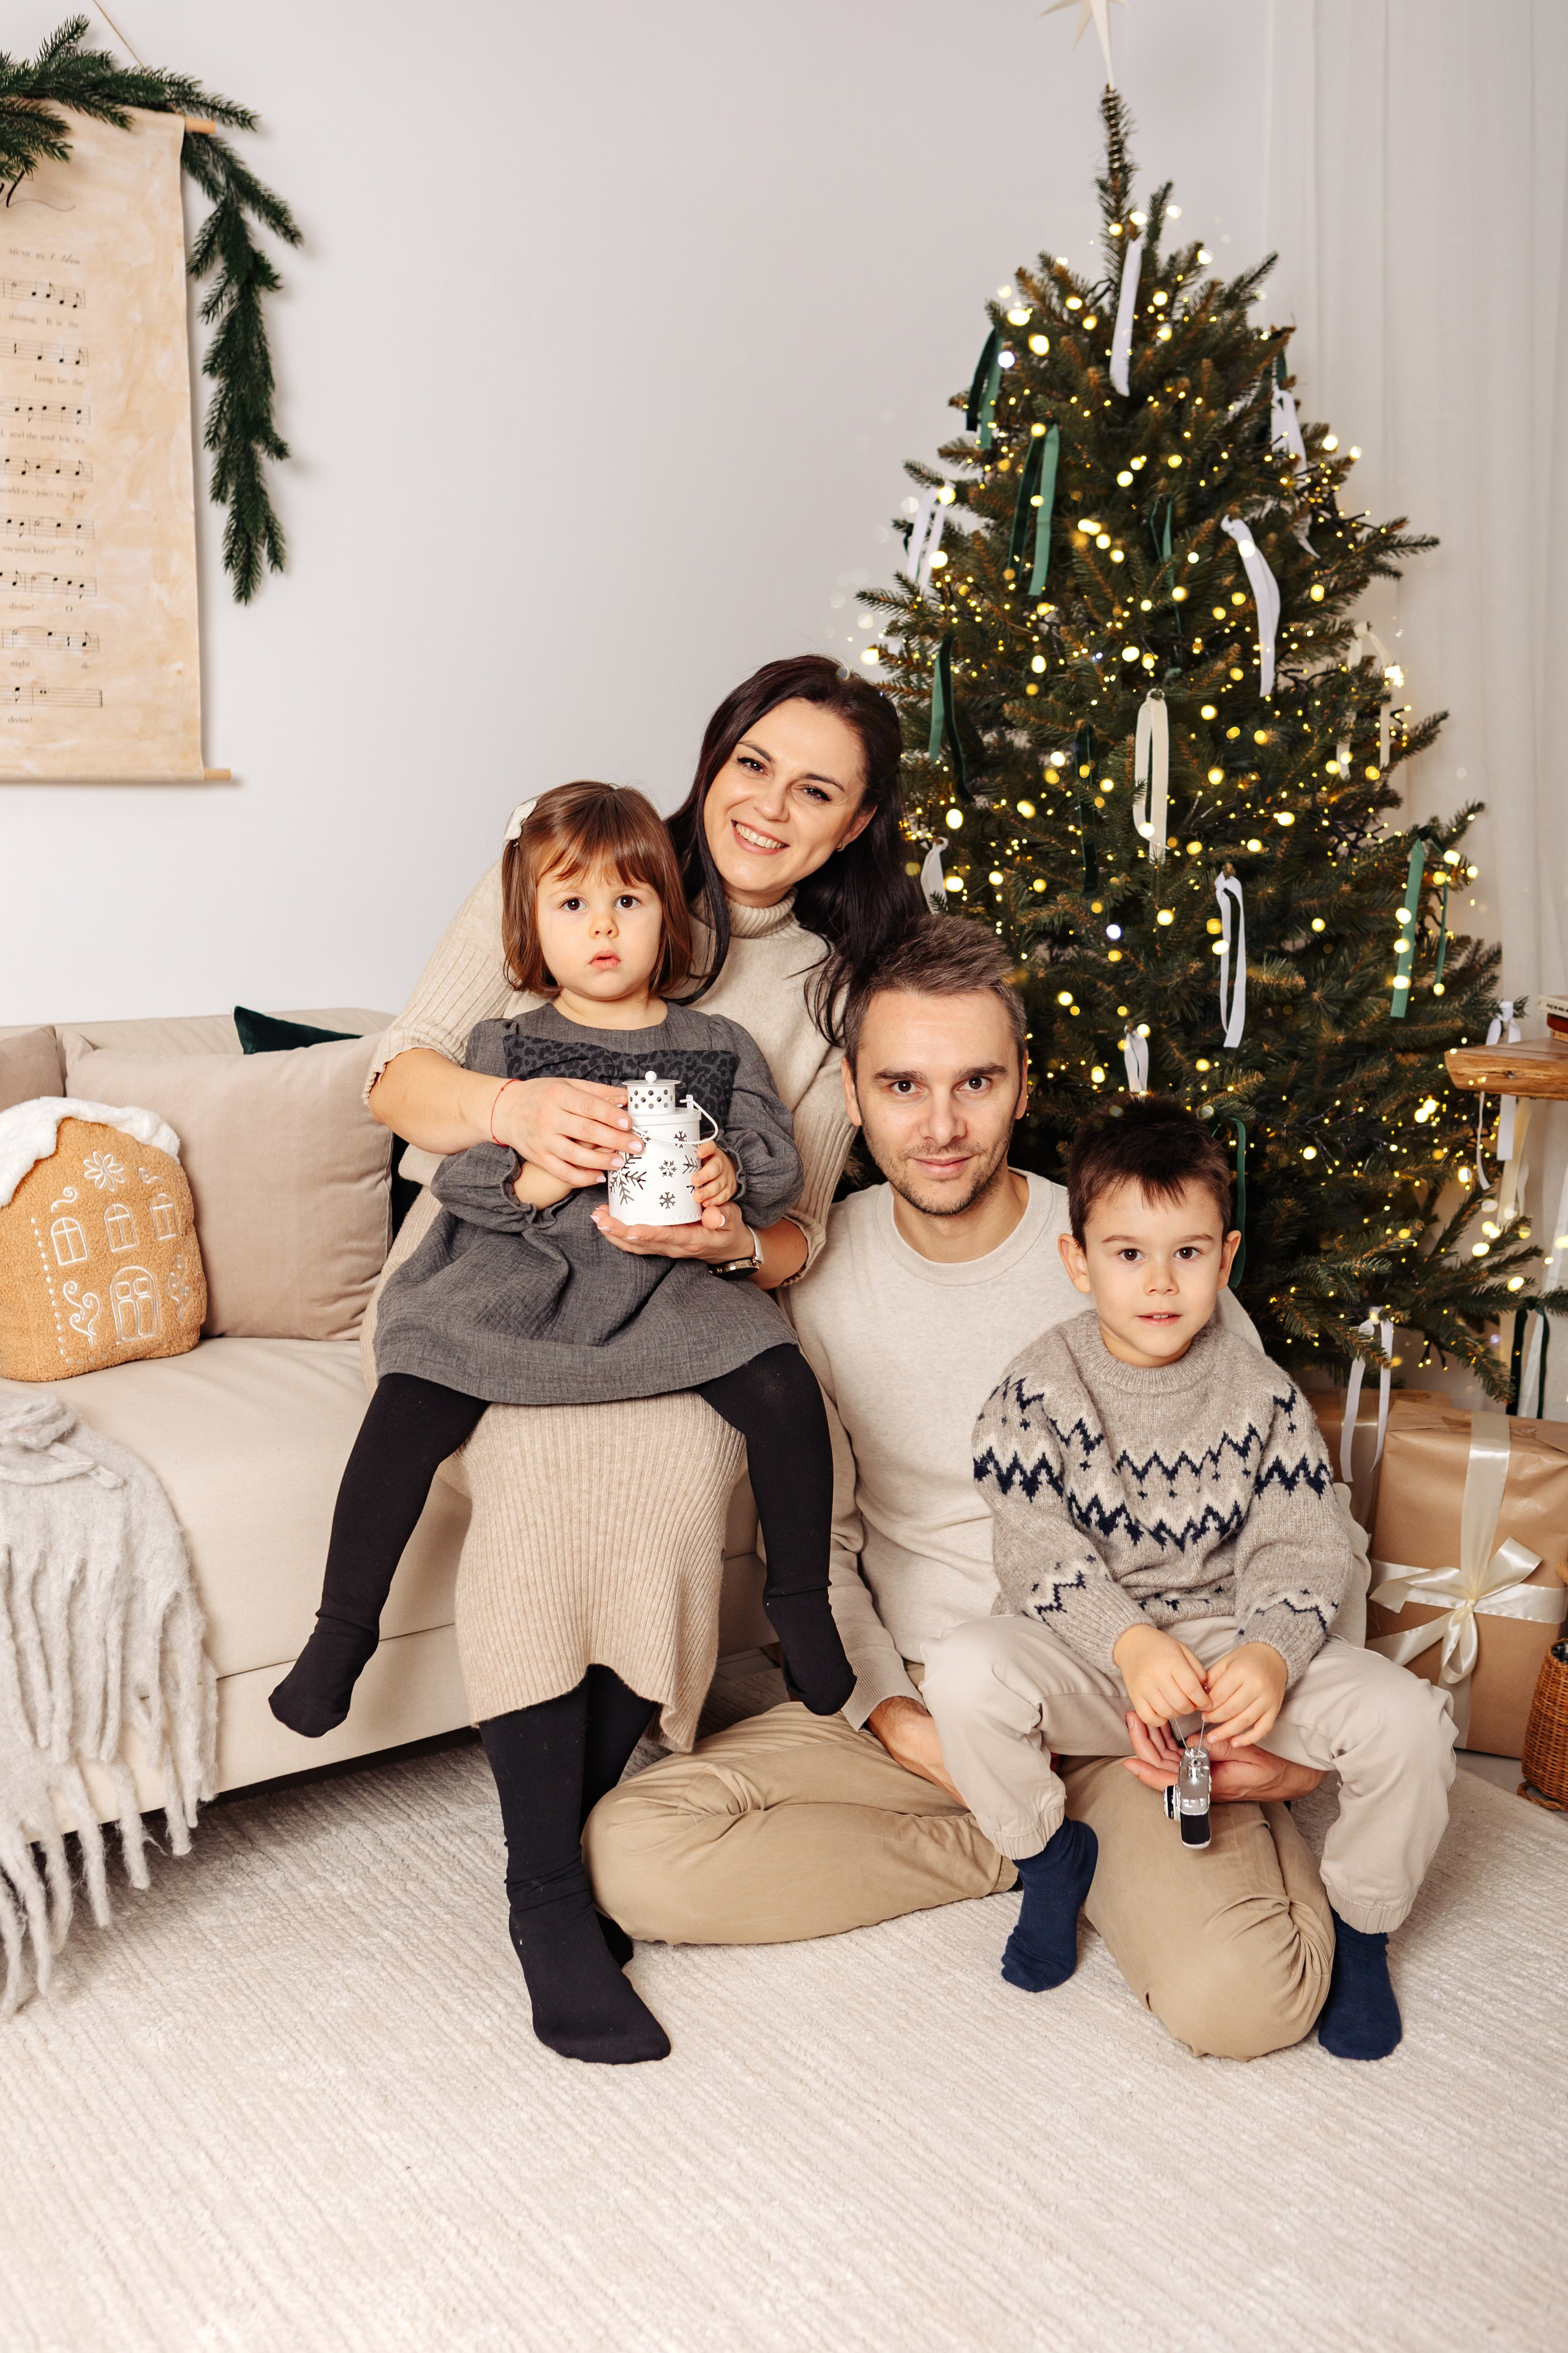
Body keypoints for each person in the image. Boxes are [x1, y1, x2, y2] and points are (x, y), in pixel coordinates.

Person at [589, 915, 1366, 2059]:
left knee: (1247, 2003)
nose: (941, 1126)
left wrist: (1294, 1754)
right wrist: (891, 1716)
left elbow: (1300, 1511)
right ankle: (1022, 1843)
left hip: (1133, 1706)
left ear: (1021, 1086)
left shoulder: (1136, 1251)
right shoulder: (819, 1272)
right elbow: (827, 1544)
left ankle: (1084, 1828)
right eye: (903, 1083)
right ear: (851, 1092)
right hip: (934, 1704)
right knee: (636, 1851)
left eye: (976, 1082)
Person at [339, 655, 918, 2066]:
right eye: (752, 766)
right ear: (711, 759)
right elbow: (393, 1076)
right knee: (545, 1495)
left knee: (668, 1480)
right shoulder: (581, 858)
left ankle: (580, 1824)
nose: (770, 807)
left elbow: (797, 1239)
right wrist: (511, 1108)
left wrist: (730, 1236)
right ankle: (546, 1897)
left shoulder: (844, 996)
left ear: (852, 827)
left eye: (816, 790)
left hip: (672, 1313)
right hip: (494, 1291)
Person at [929, 1093, 1457, 2061]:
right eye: (1128, 1253)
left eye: (1188, 1251)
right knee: (964, 1672)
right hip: (1095, 1654)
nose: (1160, 1282)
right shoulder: (1035, 1387)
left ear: (1227, 1254)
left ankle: (1365, 1927)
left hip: (1233, 1650)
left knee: (1411, 1723)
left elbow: (1303, 1543)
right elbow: (1032, 1543)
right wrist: (1126, 1642)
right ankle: (1050, 1860)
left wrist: (1271, 1651)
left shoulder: (1261, 1393)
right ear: (1077, 1260)